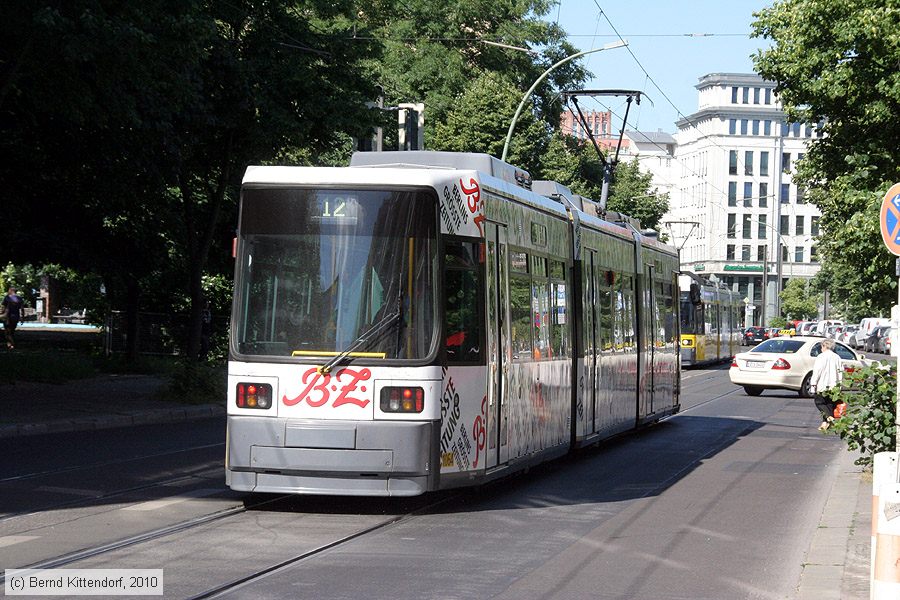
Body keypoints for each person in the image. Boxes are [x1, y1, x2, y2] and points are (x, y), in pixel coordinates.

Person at [810, 338, 843, 431]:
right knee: (829, 404)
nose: (821, 349)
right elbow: (840, 372)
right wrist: (839, 385)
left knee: (819, 402)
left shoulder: (821, 357)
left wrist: (813, 385)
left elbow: (817, 372)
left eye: (821, 346)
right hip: (834, 385)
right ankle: (825, 423)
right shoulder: (837, 357)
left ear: (824, 346)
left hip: (822, 384)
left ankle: (829, 417)